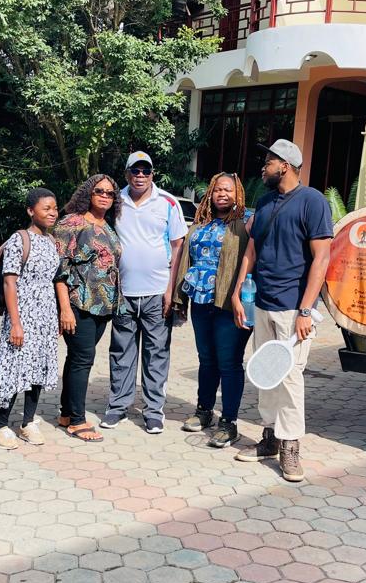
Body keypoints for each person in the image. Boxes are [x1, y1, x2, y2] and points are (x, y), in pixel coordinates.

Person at [231, 140, 332, 482]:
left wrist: (306, 310)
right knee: (266, 372)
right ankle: (271, 436)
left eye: (269, 161)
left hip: (293, 308)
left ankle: (291, 446)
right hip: (263, 302)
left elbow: (322, 258)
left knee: (289, 379)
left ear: (285, 165)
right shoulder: (265, 201)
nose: (264, 166)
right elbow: (252, 249)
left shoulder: (312, 201)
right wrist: (236, 290)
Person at [102, 151, 188, 434]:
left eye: (146, 171)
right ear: (126, 174)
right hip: (123, 292)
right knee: (122, 353)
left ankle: (153, 411)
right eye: (135, 171)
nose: (140, 176)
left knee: (157, 354)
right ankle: (117, 407)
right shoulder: (116, 201)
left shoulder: (167, 203)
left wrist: (169, 290)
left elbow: (177, 246)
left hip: (156, 293)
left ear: (153, 174)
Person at [172, 173, 253, 448]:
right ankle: (203, 411)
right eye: (217, 189)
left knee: (229, 362)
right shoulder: (200, 224)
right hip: (201, 302)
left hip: (231, 304)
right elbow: (186, 260)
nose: (222, 194)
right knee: (206, 358)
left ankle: (228, 422)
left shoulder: (245, 225)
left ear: (237, 195)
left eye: (228, 190)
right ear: (210, 193)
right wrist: (179, 299)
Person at [0, 188, 61, 450]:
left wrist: (56, 318)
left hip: (46, 316)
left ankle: (28, 421)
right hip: (23, 314)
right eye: (46, 208)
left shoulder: (52, 243)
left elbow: (53, 280)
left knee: (38, 367)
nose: (52, 213)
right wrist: (15, 322)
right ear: (31, 211)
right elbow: (9, 282)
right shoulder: (20, 239)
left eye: (54, 208)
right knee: (14, 367)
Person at [54, 175, 125, 443]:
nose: (105, 196)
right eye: (99, 191)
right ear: (88, 192)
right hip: (78, 304)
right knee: (83, 359)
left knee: (77, 358)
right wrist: (65, 309)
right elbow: (59, 270)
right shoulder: (72, 222)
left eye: (110, 193)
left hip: (103, 306)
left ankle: (65, 413)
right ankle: (77, 420)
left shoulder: (107, 226)